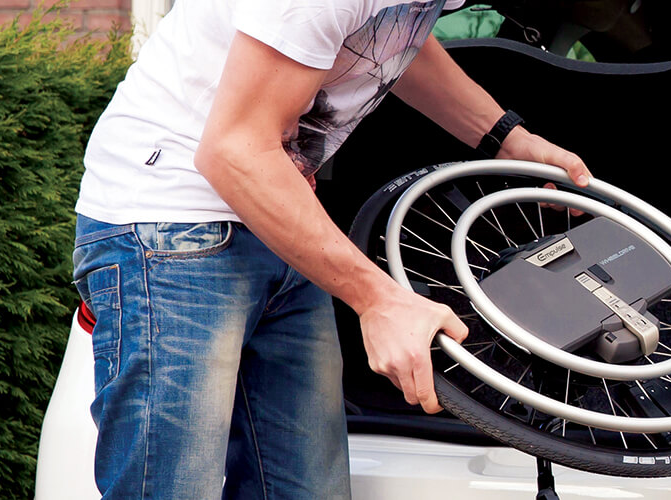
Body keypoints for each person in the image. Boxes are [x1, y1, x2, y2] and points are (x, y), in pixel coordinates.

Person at [71, 0, 591, 497]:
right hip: (170, 230)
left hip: (280, 215)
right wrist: (380, 300)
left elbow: (393, 42)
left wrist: (506, 138)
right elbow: (233, 152)